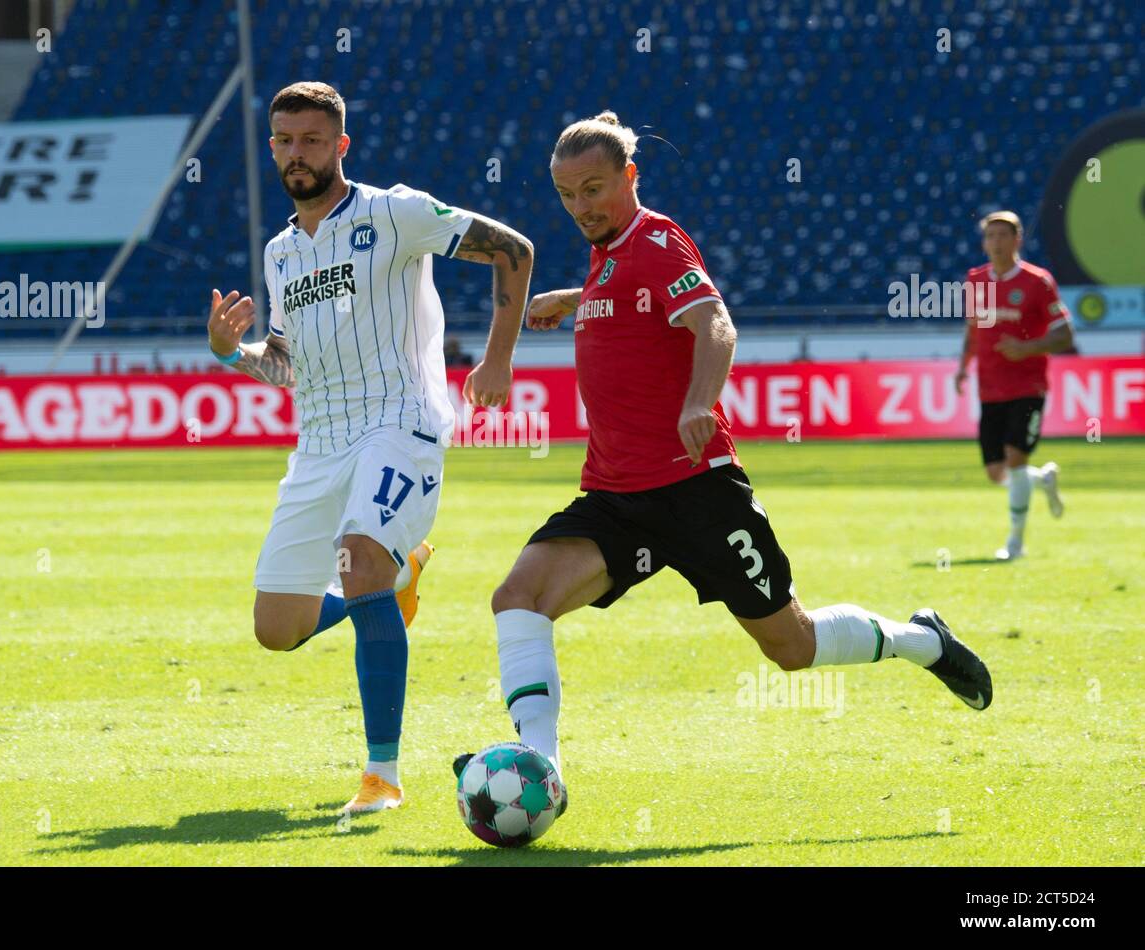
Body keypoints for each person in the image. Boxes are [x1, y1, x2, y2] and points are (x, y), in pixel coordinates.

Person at [456, 112, 992, 796]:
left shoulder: (657, 238)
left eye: (594, 189)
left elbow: (714, 321)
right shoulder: (611, 255)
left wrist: (699, 403)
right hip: (618, 499)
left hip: (698, 492)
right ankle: (542, 768)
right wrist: (577, 296)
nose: (580, 207)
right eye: (566, 195)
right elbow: (633, 303)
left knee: (791, 648)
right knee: (518, 596)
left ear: (630, 176)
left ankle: (925, 642)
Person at [208, 82, 533, 813]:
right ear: (271, 148)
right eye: (285, 141)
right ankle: (398, 579)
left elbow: (514, 250)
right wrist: (236, 353)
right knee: (276, 627)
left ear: (341, 146)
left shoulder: (396, 213)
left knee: (357, 569)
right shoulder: (282, 252)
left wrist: (498, 358)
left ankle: (381, 777)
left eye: (313, 140)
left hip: (400, 421)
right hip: (320, 441)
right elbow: (288, 367)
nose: (299, 153)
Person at [954, 210, 1071, 560]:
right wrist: (963, 366)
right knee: (997, 472)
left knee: (1016, 459)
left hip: (1028, 386)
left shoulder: (1038, 282)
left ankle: (1015, 544)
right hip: (989, 387)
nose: (996, 242)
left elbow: (1065, 334)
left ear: (1018, 239)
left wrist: (1027, 348)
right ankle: (1042, 480)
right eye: (990, 236)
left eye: (1003, 235)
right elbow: (974, 328)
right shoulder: (975, 280)